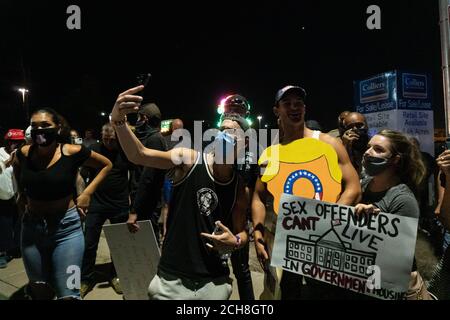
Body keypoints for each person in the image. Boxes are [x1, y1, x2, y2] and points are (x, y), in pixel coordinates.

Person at [110, 85, 248, 300]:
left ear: (244, 144)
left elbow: (242, 232)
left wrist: (235, 241)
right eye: (223, 130)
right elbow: (140, 154)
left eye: (234, 133)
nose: (227, 137)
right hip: (171, 280)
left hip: (214, 283)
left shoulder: (239, 186)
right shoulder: (189, 159)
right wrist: (118, 121)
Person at [252, 86, 361, 300]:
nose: (294, 107)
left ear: (305, 108)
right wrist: (257, 234)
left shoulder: (329, 143)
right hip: (287, 248)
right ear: (277, 111)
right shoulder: (270, 154)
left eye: (298, 103)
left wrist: (326, 219)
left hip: (327, 245)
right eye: (287, 103)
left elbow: (354, 187)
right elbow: (258, 195)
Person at [13, 108, 112, 299]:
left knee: (69, 291)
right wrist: (20, 195)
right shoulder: (24, 153)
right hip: (32, 230)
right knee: (39, 290)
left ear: (57, 128)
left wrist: (88, 193)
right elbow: (17, 166)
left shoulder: (72, 151)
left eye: (45, 125)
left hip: (68, 231)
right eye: (34, 126)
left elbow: (106, 165)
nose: (39, 130)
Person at [354, 130, 428, 300]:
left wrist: (377, 226)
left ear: (395, 159)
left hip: (390, 289)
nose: (368, 152)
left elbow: (402, 253)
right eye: (368, 147)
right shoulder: (361, 186)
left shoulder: (402, 199)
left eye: (378, 149)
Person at [80, 123, 134, 298]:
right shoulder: (94, 149)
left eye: (112, 140)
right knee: (89, 243)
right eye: (106, 139)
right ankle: (86, 279)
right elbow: (82, 175)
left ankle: (116, 275)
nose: (109, 143)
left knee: (119, 245)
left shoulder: (125, 150)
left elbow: (133, 176)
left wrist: (132, 199)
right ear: (101, 136)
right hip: (96, 204)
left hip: (119, 204)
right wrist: (82, 197)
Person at [219, 94, 256, 300]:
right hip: (218, 214)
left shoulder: (255, 147)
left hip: (241, 219)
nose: (234, 113)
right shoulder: (215, 138)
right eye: (230, 109)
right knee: (218, 268)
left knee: (242, 271)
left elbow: (256, 188)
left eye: (238, 110)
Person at [127, 103, 167, 241]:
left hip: (147, 204)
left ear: (145, 118)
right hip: (144, 202)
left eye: (139, 117)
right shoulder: (151, 138)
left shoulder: (155, 139)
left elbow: (147, 179)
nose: (137, 121)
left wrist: (134, 211)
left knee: (148, 245)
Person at [0, 129, 25, 267]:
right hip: (2, 195)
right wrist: (8, 161)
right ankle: (2, 253)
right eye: (12, 142)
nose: (14, 145)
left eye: (18, 142)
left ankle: (15, 249)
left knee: (18, 223)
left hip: (17, 195)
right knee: (4, 225)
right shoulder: (0, 153)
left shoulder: (22, 154)